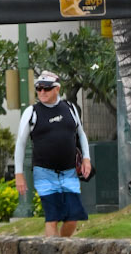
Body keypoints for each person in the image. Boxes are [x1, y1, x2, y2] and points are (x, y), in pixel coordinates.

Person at [14, 71, 93, 239]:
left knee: (72, 217)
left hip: (69, 171)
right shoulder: (32, 112)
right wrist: (19, 174)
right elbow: (20, 144)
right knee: (53, 217)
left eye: (46, 89)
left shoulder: (70, 108)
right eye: (39, 89)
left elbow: (81, 134)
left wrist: (86, 158)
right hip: (44, 172)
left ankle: (61, 249)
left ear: (57, 89)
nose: (42, 92)